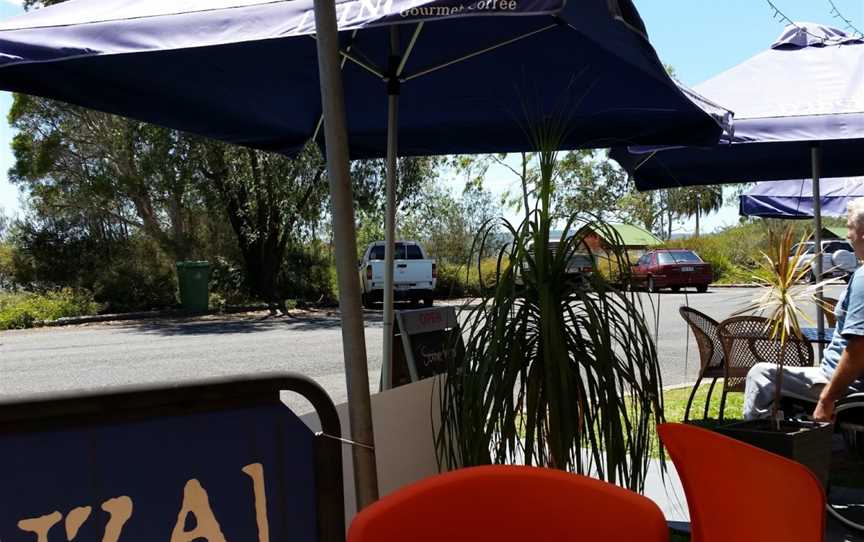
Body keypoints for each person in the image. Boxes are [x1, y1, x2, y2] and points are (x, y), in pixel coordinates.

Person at [743, 198, 864, 421]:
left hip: (846, 384)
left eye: (850, 228)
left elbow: (858, 348)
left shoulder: (863, 278)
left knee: (761, 375)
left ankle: (760, 448)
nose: (847, 236)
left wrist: (826, 399)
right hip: (844, 378)